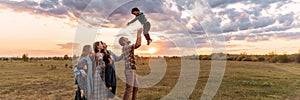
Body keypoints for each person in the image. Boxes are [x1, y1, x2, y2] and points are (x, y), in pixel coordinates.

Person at [119, 28, 142, 100]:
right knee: (129, 88)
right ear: (124, 41)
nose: (127, 38)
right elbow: (138, 44)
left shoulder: (127, 48)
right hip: (129, 70)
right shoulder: (126, 47)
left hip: (132, 70)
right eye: (126, 38)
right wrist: (138, 34)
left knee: (135, 87)